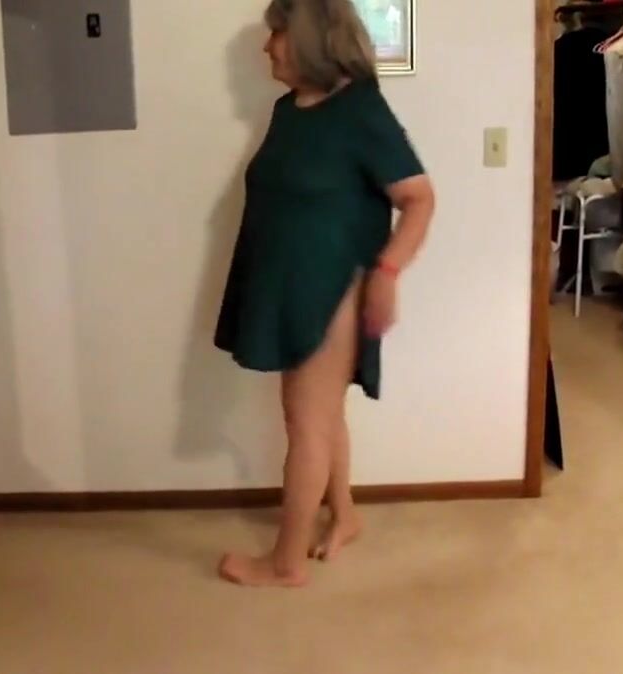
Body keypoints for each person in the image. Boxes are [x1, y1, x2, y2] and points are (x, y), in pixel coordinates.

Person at [214, 0, 435, 587]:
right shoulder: (288, 109)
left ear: (310, 38)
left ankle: (284, 564)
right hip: (289, 284)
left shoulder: (359, 109)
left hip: (333, 286)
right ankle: (345, 515)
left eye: (277, 33)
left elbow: (419, 199)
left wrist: (386, 274)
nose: (267, 46)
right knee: (321, 414)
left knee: (306, 421)